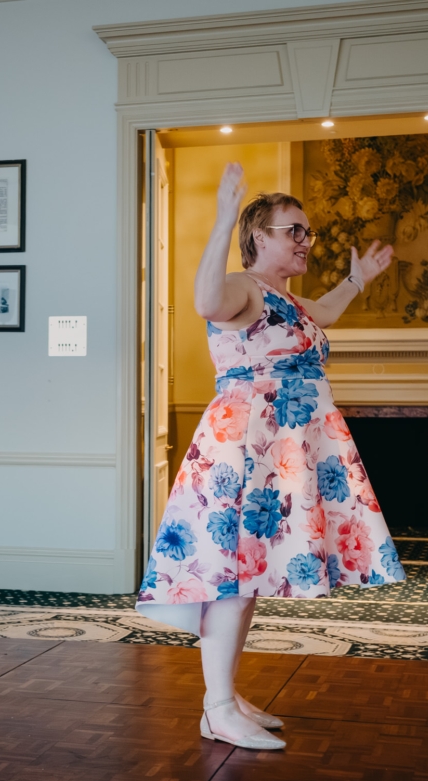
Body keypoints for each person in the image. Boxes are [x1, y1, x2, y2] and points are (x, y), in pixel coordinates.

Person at [136, 163, 407, 750]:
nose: (306, 240)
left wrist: (357, 279)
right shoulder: (243, 286)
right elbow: (206, 300)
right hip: (245, 447)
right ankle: (216, 708)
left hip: (280, 445)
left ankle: (226, 696)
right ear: (259, 236)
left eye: (308, 232)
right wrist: (220, 220)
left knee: (251, 574)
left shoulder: (286, 298)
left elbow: (324, 313)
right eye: (295, 231)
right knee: (234, 575)